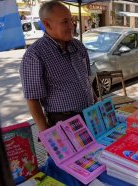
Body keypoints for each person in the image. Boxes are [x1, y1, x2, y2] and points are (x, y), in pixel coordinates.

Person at [20, 1, 96, 132]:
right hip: (64, 121)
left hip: (91, 114)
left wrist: (96, 103)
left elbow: (86, 80)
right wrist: (45, 133)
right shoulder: (35, 55)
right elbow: (33, 100)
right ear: (47, 24)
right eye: (65, 21)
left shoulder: (78, 46)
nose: (72, 25)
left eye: (71, 20)